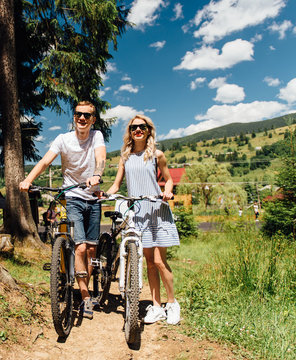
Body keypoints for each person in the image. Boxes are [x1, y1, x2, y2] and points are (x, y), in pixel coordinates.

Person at [19, 101, 106, 319]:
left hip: (93, 198)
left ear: (93, 119)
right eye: (78, 114)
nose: (82, 118)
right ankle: (85, 297)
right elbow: (45, 161)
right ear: (74, 117)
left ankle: (85, 282)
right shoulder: (63, 139)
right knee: (80, 247)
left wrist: (97, 175)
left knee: (92, 251)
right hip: (73, 196)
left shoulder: (97, 136)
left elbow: (101, 158)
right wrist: (28, 179)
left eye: (87, 115)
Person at [105, 114, 181, 325]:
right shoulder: (125, 157)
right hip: (136, 211)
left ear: (148, 130)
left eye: (142, 127)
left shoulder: (157, 154)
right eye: (133, 127)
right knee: (148, 262)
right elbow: (117, 184)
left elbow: (168, 180)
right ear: (129, 132)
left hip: (156, 208)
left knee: (159, 260)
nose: (137, 130)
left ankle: (172, 304)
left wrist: (167, 192)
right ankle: (156, 306)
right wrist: (105, 194)